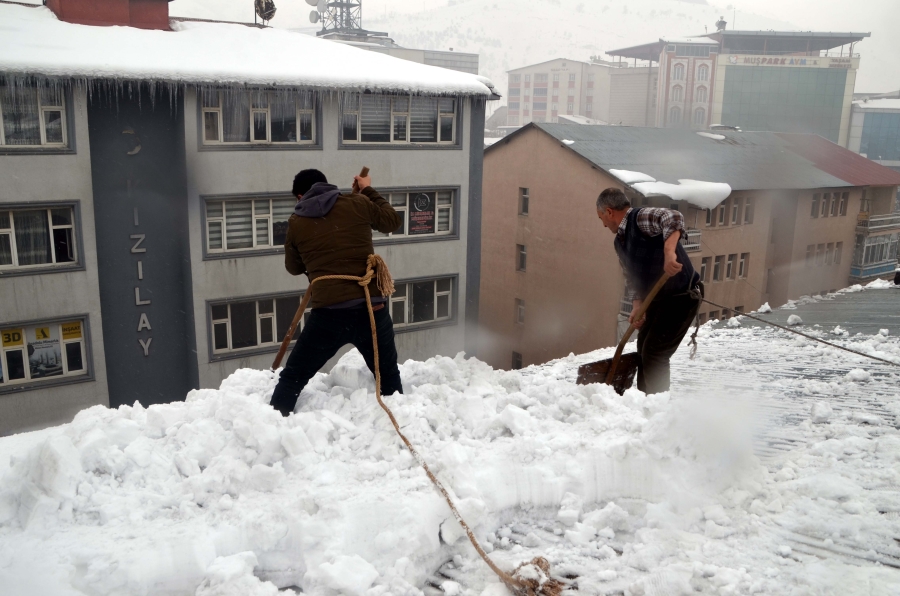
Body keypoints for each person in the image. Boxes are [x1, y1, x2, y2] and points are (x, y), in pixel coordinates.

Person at [269, 169, 404, 416]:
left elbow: (293, 267)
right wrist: (367, 190)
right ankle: (398, 423)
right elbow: (392, 220)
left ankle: (274, 422)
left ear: (301, 195)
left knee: (293, 377)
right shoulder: (358, 203)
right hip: (371, 309)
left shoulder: (296, 222)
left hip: (329, 316)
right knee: (389, 378)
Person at [596, 188, 701, 394]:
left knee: (655, 353)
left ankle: (658, 406)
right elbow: (632, 278)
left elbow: (672, 216)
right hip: (658, 301)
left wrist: (669, 252)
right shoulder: (620, 242)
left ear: (609, 212)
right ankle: (646, 400)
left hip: (681, 296)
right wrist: (637, 306)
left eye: (601, 217)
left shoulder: (638, 218)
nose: (603, 224)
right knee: (643, 348)